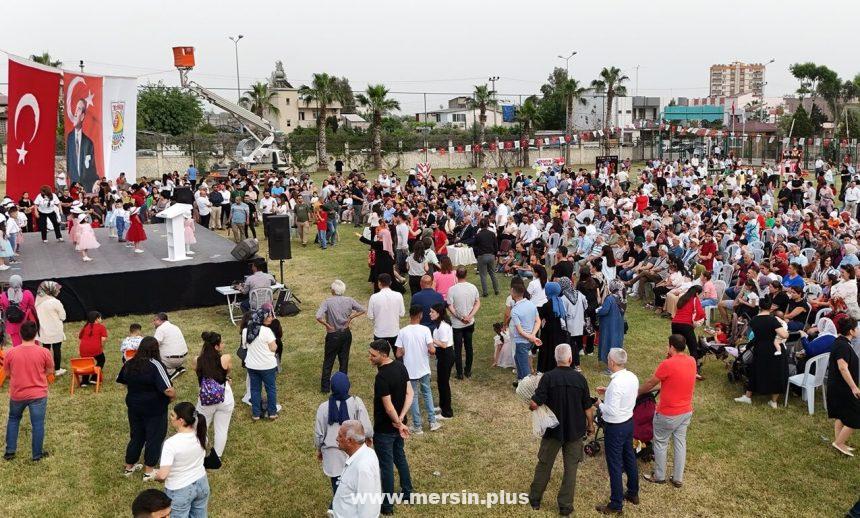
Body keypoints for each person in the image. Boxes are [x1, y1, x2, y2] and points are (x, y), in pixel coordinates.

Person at [527, 344, 594, 517]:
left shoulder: (548, 378)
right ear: (571, 359)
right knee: (571, 468)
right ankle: (565, 505)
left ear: (556, 359)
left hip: (553, 431)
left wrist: (530, 403)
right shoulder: (580, 380)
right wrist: (591, 425)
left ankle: (535, 499)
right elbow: (587, 407)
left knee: (544, 464)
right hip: (575, 431)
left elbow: (535, 403)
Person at [640, 334, 697, 487]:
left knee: (660, 442)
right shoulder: (691, 361)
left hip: (668, 412)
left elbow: (651, 382)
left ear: (671, 346)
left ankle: (659, 476)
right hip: (686, 411)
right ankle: (677, 477)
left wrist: (638, 392)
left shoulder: (667, 364)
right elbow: (672, 381)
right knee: (680, 442)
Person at [117, 337, 175, 481]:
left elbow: (122, 380)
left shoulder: (129, 363)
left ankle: (129, 467)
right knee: (154, 437)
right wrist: (172, 397)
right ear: (156, 349)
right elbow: (168, 389)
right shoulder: (156, 365)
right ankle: (149, 471)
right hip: (155, 408)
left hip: (134, 407)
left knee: (136, 436)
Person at [314, 372, 374, 507]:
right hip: (354, 453)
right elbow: (367, 429)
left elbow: (319, 434)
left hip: (332, 456)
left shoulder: (323, 408)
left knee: (338, 485)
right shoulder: (356, 403)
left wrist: (319, 450)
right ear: (348, 386)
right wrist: (368, 438)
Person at [369, 339, 414, 516]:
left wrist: (397, 421)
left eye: (373, 355)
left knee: (386, 465)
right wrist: (402, 419)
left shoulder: (381, 377)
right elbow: (409, 393)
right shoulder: (400, 367)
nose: (370, 358)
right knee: (400, 457)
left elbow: (388, 407)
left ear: (383, 355)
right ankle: (408, 492)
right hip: (398, 425)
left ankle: (387, 505)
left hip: (385, 429)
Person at [594, 348, 640, 515]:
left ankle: (615, 503)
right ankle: (633, 493)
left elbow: (611, 411)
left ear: (611, 362)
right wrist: (608, 391)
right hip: (628, 422)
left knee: (614, 464)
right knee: (629, 458)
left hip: (615, 427)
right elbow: (628, 395)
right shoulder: (632, 377)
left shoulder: (616, 383)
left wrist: (600, 404)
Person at [2, 321, 54, 461]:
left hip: (18, 394)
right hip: (38, 394)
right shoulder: (44, 352)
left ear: (20, 334)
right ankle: (37, 455)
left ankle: (10, 452)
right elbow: (50, 371)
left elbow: (7, 373)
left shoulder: (11, 352)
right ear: (36, 334)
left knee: (13, 419)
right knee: (37, 424)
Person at [155, 402, 210, 518]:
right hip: (202, 483)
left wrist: (156, 476)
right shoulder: (202, 437)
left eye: (172, 415)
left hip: (179, 490)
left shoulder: (171, 444)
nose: (170, 418)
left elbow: (162, 475)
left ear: (181, 421)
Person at [734, 295, 789, 408]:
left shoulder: (754, 320)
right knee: (777, 373)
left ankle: (748, 396)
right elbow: (784, 334)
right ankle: (773, 401)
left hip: (760, 348)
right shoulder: (773, 320)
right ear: (770, 307)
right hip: (775, 349)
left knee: (756, 371)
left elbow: (753, 334)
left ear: (760, 306)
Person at [396, 305, 440, 433]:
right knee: (427, 393)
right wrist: (432, 350)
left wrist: (405, 350)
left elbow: (398, 354)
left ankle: (417, 426)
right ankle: (432, 422)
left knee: (412, 396)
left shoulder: (402, 331)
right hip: (423, 368)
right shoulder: (425, 330)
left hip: (410, 370)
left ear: (410, 315)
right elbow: (432, 350)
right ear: (420, 315)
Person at [315, 279, 366, 393]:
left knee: (328, 361)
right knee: (344, 360)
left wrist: (327, 325)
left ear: (333, 290)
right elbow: (362, 309)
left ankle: (325, 388)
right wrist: (350, 317)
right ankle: (343, 385)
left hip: (333, 335)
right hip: (346, 334)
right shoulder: (349, 300)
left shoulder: (327, 302)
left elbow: (318, 316)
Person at [194, 331, 234, 459]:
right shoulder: (226, 358)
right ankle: (217, 456)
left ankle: (200, 452)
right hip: (224, 396)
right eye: (221, 343)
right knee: (222, 428)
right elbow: (227, 371)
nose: (223, 344)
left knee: (200, 427)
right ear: (216, 346)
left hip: (205, 399)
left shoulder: (197, 360)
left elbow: (199, 373)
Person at [331, 420, 382, 518]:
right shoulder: (363, 453)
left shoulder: (363, 467)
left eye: (340, 436)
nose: (336, 438)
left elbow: (368, 507)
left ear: (350, 441)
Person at [826, 316, 860, 456]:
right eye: (856, 328)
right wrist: (853, 387)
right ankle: (839, 443)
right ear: (851, 331)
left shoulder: (842, 342)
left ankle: (839, 442)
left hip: (839, 385)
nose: (858, 330)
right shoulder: (842, 345)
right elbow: (842, 367)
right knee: (856, 417)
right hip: (842, 387)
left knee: (841, 414)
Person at [241, 309, 279, 420]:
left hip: (252, 365)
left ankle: (256, 414)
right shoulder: (267, 331)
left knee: (255, 389)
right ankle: (272, 413)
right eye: (268, 316)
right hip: (267, 365)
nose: (270, 318)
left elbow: (244, 347)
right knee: (270, 389)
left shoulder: (245, 331)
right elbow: (274, 348)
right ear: (262, 318)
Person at [447, 266, 480, 379]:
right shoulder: (473, 287)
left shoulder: (452, 289)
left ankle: (460, 373)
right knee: (469, 346)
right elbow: (477, 303)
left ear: (456, 275)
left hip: (457, 324)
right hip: (469, 322)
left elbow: (450, 306)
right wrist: (469, 316)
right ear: (466, 275)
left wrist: (460, 317)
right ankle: (468, 370)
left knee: (458, 348)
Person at [510, 281, 542, 385]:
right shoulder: (531, 304)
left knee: (524, 366)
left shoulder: (515, 310)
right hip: (530, 340)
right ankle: (520, 380)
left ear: (514, 293)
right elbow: (538, 321)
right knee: (517, 358)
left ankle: (528, 387)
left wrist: (530, 337)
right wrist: (533, 335)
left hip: (522, 341)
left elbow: (520, 331)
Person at [671, 285, 705, 379]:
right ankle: (694, 371)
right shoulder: (695, 299)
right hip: (685, 325)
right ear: (697, 293)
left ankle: (671, 367)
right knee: (693, 348)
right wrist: (695, 323)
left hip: (675, 323)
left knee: (675, 347)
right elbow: (700, 313)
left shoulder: (683, 298)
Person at [34, 281, 66, 377]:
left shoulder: (38, 302)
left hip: (44, 330)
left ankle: (47, 368)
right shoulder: (55, 302)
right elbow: (63, 316)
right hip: (56, 330)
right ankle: (57, 369)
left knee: (46, 350)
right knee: (57, 349)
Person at [430, 303, 455, 419]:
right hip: (442, 355)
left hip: (446, 355)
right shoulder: (439, 325)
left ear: (438, 313)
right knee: (440, 382)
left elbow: (444, 345)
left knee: (444, 383)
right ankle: (442, 405)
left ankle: (447, 412)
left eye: (432, 312)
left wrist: (431, 340)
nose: (430, 314)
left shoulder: (443, 326)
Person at [367, 273, 405, 347]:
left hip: (380, 332)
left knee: (379, 356)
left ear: (379, 283)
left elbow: (370, 316)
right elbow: (402, 313)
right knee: (398, 355)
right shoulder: (398, 295)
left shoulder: (374, 297)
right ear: (390, 282)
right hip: (394, 331)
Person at [596, 280, 627, 372]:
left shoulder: (610, 298)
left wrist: (597, 311)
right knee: (617, 343)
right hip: (618, 324)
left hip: (609, 325)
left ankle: (611, 368)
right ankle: (618, 364)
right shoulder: (622, 298)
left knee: (609, 343)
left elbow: (605, 310)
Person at [1, 274, 36, 347]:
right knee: (31, 345)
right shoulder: (27, 293)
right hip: (26, 324)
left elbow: (4, 308)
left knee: (17, 347)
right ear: (21, 282)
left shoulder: (4, 295)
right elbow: (32, 307)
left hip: (12, 325)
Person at [153, 313, 189, 379]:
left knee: (152, 352)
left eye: (154, 320)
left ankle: (171, 372)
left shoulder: (160, 329)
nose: (153, 323)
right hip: (183, 358)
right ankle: (178, 368)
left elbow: (153, 345)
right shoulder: (175, 326)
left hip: (171, 361)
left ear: (159, 320)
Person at [78, 310, 108, 386]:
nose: (101, 319)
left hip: (83, 349)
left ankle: (84, 382)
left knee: (87, 363)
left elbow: (80, 337)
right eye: (100, 318)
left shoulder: (85, 327)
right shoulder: (101, 327)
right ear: (97, 319)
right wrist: (101, 347)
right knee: (101, 360)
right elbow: (103, 339)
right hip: (96, 349)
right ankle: (94, 378)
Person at [472, 217, 500, 297]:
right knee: (493, 274)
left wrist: (477, 256)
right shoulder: (492, 234)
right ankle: (496, 290)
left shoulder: (478, 235)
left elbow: (474, 247)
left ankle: (485, 292)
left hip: (482, 256)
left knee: (483, 275)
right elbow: (496, 245)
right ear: (488, 225)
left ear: (480, 225)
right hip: (491, 255)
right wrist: (495, 255)